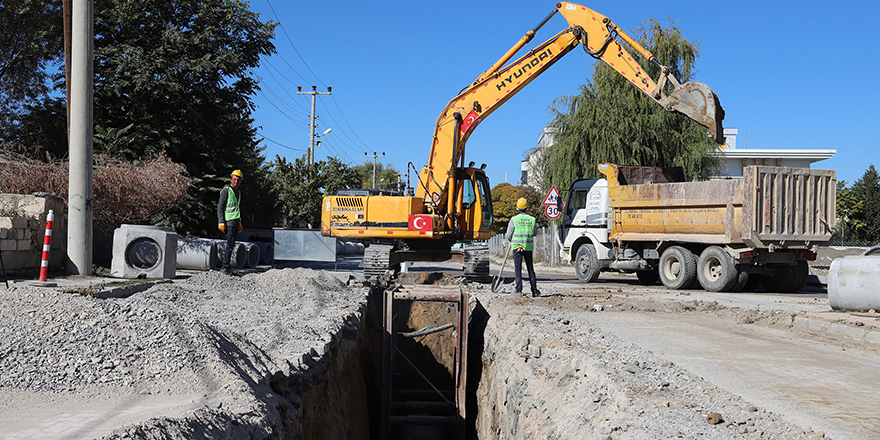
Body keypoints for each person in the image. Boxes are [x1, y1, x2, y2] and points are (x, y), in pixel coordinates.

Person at [505, 197, 540, 297]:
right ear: (526, 207)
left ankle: (518, 290)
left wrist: (510, 239)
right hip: (528, 247)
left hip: (517, 247)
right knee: (530, 268)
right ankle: (534, 290)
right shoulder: (532, 219)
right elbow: (535, 233)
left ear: (518, 208)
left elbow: (508, 234)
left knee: (518, 268)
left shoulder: (514, 219)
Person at [218, 169, 244, 273]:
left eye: (238, 180)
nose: (236, 182)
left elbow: (237, 209)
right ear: (231, 179)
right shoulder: (226, 190)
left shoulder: (238, 192)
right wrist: (221, 222)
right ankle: (225, 267)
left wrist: (240, 223)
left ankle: (226, 266)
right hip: (228, 222)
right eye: (234, 179)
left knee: (232, 244)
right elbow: (220, 207)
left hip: (235, 222)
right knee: (229, 244)